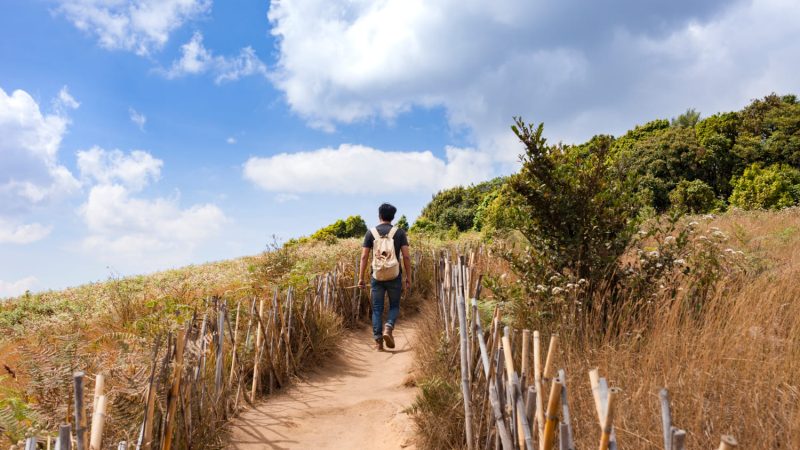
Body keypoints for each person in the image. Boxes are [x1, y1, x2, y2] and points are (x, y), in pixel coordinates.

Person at [358, 203, 411, 351]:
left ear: (379, 215)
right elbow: (406, 257)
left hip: (377, 276)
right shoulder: (399, 233)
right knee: (394, 306)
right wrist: (408, 277)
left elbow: (364, 257)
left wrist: (361, 278)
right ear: (393, 217)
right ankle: (389, 327)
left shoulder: (371, 233)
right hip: (394, 275)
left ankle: (378, 343)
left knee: (377, 309)